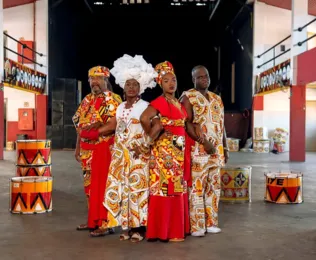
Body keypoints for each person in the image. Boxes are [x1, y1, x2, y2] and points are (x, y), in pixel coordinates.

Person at [90, 54, 157, 242]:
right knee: (123, 190)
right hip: (120, 156)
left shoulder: (146, 106)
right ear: (123, 87)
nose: (131, 87)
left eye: (135, 84)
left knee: (138, 191)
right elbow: (112, 125)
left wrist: (145, 145)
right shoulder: (119, 107)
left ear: (141, 87)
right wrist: (92, 133)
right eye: (128, 84)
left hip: (138, 156)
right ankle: (126, 226)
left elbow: (155, 129)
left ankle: (139, 228)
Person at [140, 61, 190, 242]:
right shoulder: (159, 102)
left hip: (179, 148)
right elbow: (144, 118)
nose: (171, 83)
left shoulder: (177, 102)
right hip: (165, 152)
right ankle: (163, 231)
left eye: (174, 80)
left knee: (176, 188)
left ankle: (174, 229)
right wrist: (155, 136)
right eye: (167, 80)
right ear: (161, 83)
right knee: (165, 190)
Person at [72, 65, 122, 237]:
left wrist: (95, 131)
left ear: (106, 80)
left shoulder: (112, 100)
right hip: (87, 152)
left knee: (104, 188)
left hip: (104, 150)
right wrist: (78, 147)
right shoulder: (86, 100)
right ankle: (93, 219)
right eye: (91, 79)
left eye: (98, 78)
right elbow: (80, 125)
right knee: (89, 189)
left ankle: (106, 223)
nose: (94, 82)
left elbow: (114, 126)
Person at [180, 65, 229, 237]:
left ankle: (212, 223)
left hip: (216, 152)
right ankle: (197, 226)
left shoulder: (217, 99)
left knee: (214, 188)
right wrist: (203, 141)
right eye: (199, 77)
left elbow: (222, 125)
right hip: (198, 152)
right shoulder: (188, 97)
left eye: (206, 76)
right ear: (193, 79)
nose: (204, 79)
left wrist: (226, 147)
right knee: (197, 189)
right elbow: (186, 124)